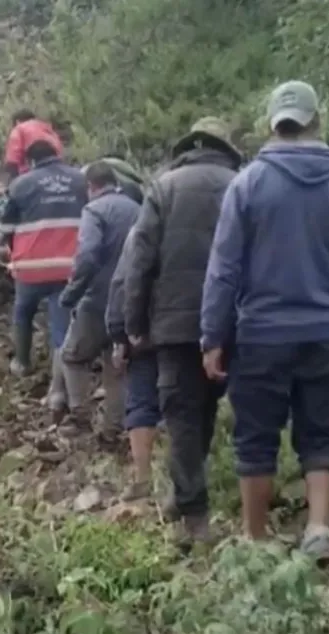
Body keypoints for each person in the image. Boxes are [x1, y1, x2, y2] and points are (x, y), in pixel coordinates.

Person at [201, 81, 329, 559]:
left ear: (272, 125)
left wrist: (213, 335)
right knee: (318, 431)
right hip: (328, 331)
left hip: (262, 333)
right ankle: (318, 529)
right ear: (317, 121)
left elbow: (225, 267)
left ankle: (255, 539)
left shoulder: (249, 183)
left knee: (256, 436)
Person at [123, 117, 242, 545]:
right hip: (233, 321)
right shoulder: (242, 184)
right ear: (226, 147)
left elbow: (140, 260)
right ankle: (189, 493)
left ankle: (193, 513)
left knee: (183, 413)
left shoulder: (163, 187)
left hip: (173, 324)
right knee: (208, 407)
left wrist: (133, 322)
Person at [0, 140, 87, 393]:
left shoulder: (21, 184)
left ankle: (22, 362)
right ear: (57, 155)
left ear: (30, 162)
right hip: (68, 266)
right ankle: (61, 389)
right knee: (61, 323)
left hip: (30, 267)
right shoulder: (80, 180)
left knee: (23, 312)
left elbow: (6, 229)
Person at [58, 161, 141, 431]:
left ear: (91, 186)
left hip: (97, 300)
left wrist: (71, 293)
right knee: (116, 365)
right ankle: (113, 427)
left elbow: (88, 255)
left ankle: (80, 416)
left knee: (72, 356)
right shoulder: (138, 209)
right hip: (130, 299)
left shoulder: (94, 210)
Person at [106, 226, 162, 502]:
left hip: (146, 333)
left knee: (141, 400)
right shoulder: (215, 220)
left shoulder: (141, 231)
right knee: (187, 403)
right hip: (193, 331)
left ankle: (143, 478)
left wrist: (120, 334)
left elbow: (124, 283)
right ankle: (185, 477)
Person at [1, 109, 64, 185]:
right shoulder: (48, 129)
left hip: (30, 177)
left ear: (17, 121)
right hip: (57, 174)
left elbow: (12, 159)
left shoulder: (19, 129)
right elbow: (59, 151)